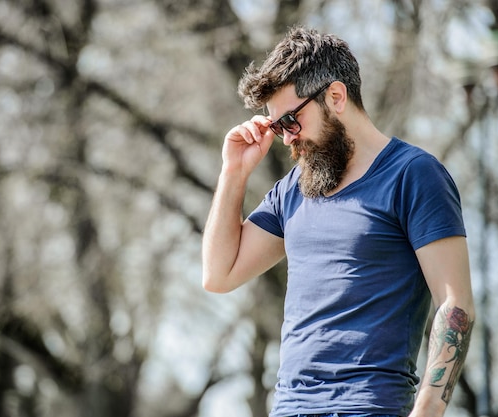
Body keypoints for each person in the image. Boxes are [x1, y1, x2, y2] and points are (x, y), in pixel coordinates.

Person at [201, 26, 475, 417]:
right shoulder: (291, 190)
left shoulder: (414, 175)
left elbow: (455, 304)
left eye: (291, 121)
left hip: (368, 407)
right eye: (276, 127)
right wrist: (233, 173)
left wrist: (427, 410)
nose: (286, 138)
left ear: (335, 96)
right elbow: (218, 274)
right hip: (289, 408)